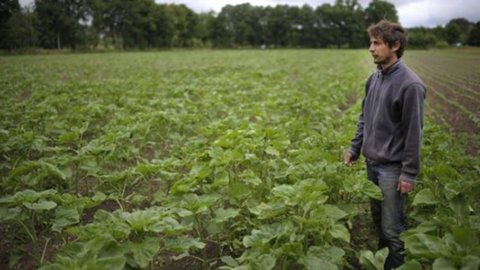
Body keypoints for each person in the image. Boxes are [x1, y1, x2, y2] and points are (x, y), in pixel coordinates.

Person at [344, 20, 426, 270]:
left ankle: (395, 264)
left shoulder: (410, 85)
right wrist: (354, 148)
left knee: (392, 229)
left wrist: (409, 173)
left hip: (392, 169)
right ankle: (382, 262)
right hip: (372, 163)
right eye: (371, 42)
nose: (371, 48)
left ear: (395, 46)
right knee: (378, 220)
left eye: (377, 43)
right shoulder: (374, 78)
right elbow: (364, 118)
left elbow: (414, 134)